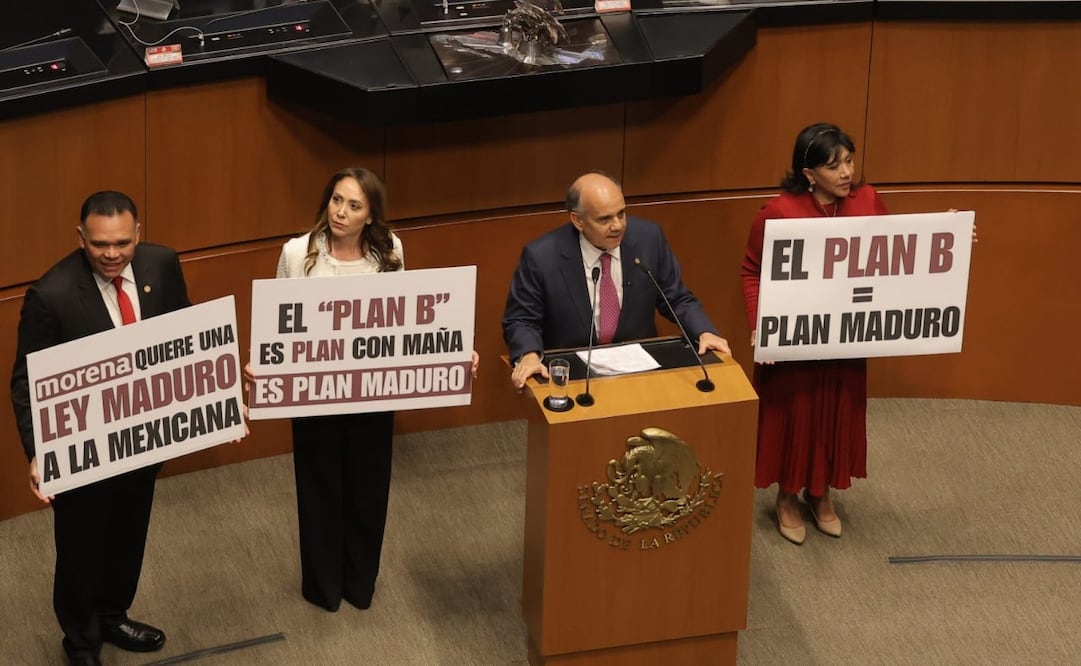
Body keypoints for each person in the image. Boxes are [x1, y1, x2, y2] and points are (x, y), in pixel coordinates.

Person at [272, 167, 478, 612]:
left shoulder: (390, 251)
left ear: (371, 215)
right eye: (336, 200)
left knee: (368, 487)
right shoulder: (296, 253)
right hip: (315, 396)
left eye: (354, 205)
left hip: (372, 394)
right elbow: (279, 323)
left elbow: (408, 322)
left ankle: (359, 582)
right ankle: (323, 587)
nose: (340, 212)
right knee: (319, 487)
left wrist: (454, 352)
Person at [11, 191, 191, 665]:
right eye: (98, 244)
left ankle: (112, 614)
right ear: (80, 238)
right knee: (80, 551)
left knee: (129, 537)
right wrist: (38, 452)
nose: (111, 254)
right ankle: (82, 642)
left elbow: (186, 337)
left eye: (121, 243)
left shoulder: (163, 264)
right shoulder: (50, 295)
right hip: (83, 454)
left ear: (138, 232)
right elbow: (26, 384)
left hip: (144, 441)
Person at [740, 122, 888, 545]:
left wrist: (950, 234)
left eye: (849, 161)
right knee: (797, 417)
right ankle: (787, 498)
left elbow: (899, 250)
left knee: (835, 412)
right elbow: (752, 271)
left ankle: (820, 494)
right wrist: (760, 326)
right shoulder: (779, 212)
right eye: (833, 165)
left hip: (846, 337)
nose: (846, 172)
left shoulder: (868, 200)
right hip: (795, 339)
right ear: (808, 174)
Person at [503, 171, 730, 389]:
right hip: (574, 375)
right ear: (578, 220)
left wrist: (704, 331)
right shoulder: (542, 257)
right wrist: (529, 355)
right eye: (605, 219)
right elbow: (521, 319)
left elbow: (677, 298)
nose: (618, 225)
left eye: (621, 213)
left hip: (638, 369)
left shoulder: (648, 239)